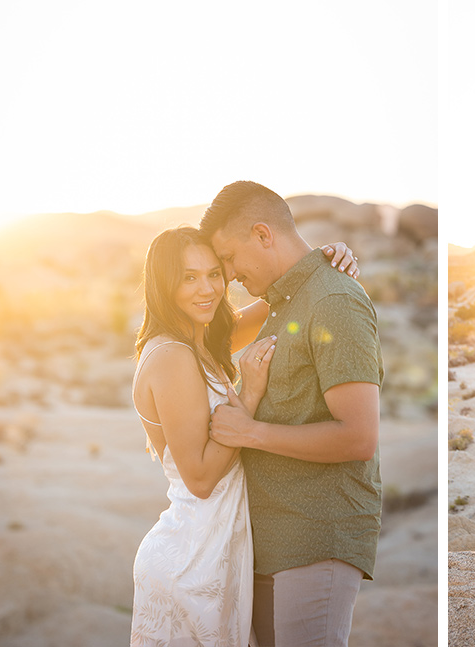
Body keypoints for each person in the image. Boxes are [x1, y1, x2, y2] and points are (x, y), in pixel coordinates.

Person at [129, 225, 357, 646]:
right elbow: (199, 479)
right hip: (193, 557)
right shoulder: (173, 357)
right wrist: (249, 394)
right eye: (188, 277)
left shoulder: (200, 341)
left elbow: (284, 298)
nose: (208, 289)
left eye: (214, 273)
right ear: (164, 284)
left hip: (218, 551)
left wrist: (322, 259)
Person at [200, 181, 384, 647]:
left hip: (316, 535)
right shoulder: (287, 301)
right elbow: (207, 341)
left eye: (227, 258)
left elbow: (359, 436)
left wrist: (251, 432)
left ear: (263, 234)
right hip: (269, 536)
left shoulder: (334, 301)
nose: (228, 275)